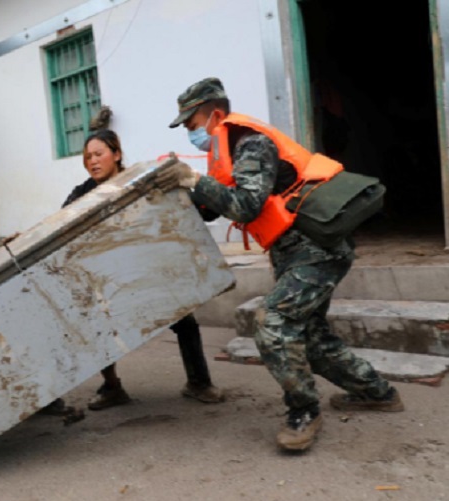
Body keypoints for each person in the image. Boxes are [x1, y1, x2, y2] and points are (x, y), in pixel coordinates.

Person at [157, 77, 404, 452]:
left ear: (215, 115)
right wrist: (187, 191)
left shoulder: (249, 142)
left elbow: (246, 206)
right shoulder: (227, 148)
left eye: (191, 125)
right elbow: (217, 204)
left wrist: (193, 179)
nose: (190, 134)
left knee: (273, 322)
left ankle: (304, 412)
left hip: (316, 246)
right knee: (311, 337)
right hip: (294, 250)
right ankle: (376, 392)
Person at [65, 128, 225, 411]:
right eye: (87, 157)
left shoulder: (140, 182)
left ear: (116, 154)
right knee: (100, 327)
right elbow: (61, 225)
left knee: (185, 321)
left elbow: (192, 209)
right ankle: (112, 387)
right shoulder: (83, 194)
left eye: (98, 154)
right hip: (113, 277)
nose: (92, 161)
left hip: (152, 270)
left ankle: (199, 382)